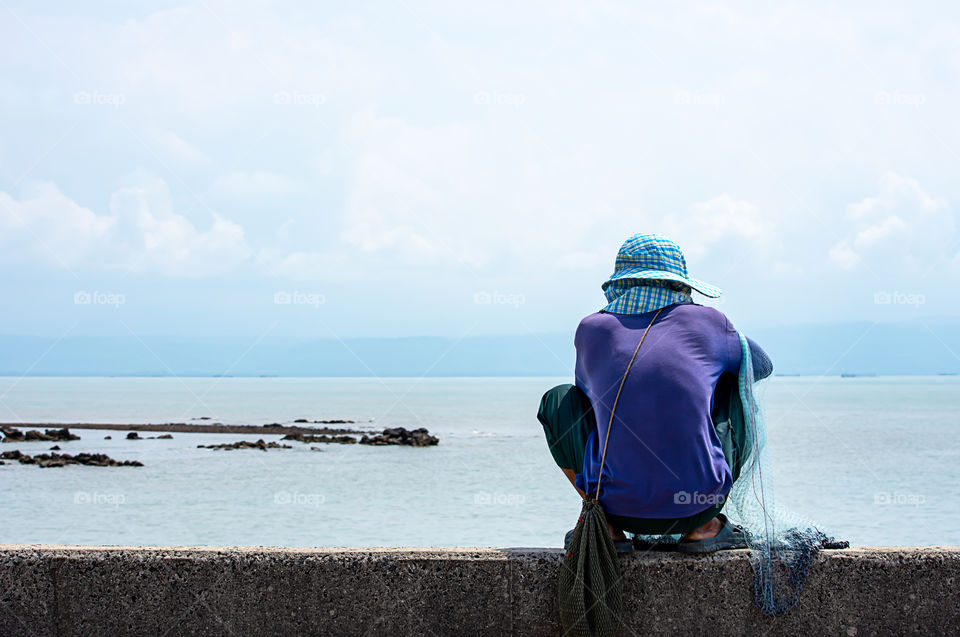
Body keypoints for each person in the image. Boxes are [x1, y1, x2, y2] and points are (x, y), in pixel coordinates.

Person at [538, 233, 772, 553]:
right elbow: (761, 366)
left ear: (621, 283)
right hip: (698, 504)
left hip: (617, 506)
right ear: (678, 284)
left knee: (559, 401)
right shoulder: (709, 321)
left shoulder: (591, 329)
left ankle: (606, 526)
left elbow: (588, 398)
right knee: (733, 383)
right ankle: (705, 527)